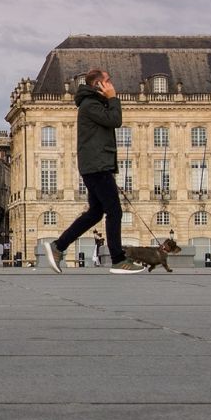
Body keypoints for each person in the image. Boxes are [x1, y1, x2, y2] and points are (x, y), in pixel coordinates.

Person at [42, 68, 143, 273]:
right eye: (108, 80)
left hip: (96, 164)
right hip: (97, 166)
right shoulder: (90, 105)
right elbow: (115, 121)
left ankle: (58, 246)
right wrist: (113, 98)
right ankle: (118, 259)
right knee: (114, 211)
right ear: (99, 84)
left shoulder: (93, 104)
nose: (112, 84)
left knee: (96, 213)